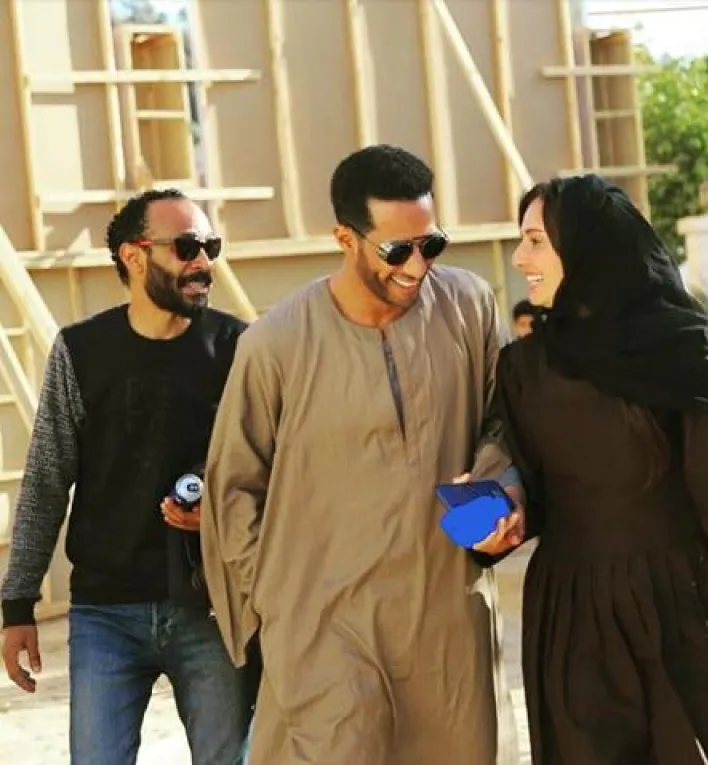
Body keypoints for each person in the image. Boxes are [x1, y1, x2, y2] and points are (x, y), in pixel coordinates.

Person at [199, 144, 523, 764]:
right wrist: (274, 601)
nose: (418, 266)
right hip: (324, 626)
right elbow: (233, 486)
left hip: (445, 616)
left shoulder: (469, 307)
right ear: (345, 239)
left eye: (432, 244)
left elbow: (506, 423)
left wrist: (499, 495)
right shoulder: (276, 343)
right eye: (397, 250)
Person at [491, 174, 708, 763]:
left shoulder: (687, 352)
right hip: (571, 618)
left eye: (536, 241)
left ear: (589, 247)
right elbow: (534, 489)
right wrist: (502, 515)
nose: (520, 258)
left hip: (682, 609)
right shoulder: (524, 368)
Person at [0, 189, 256, 764]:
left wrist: (218, 513)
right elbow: (46, 480)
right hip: (105, 614)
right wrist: (17, 606)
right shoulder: (80, 350)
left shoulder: (239, 347)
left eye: (210, 247)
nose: (203, 262)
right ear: (134, 257)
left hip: (212, 609)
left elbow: (271, 470)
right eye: (187, 246)